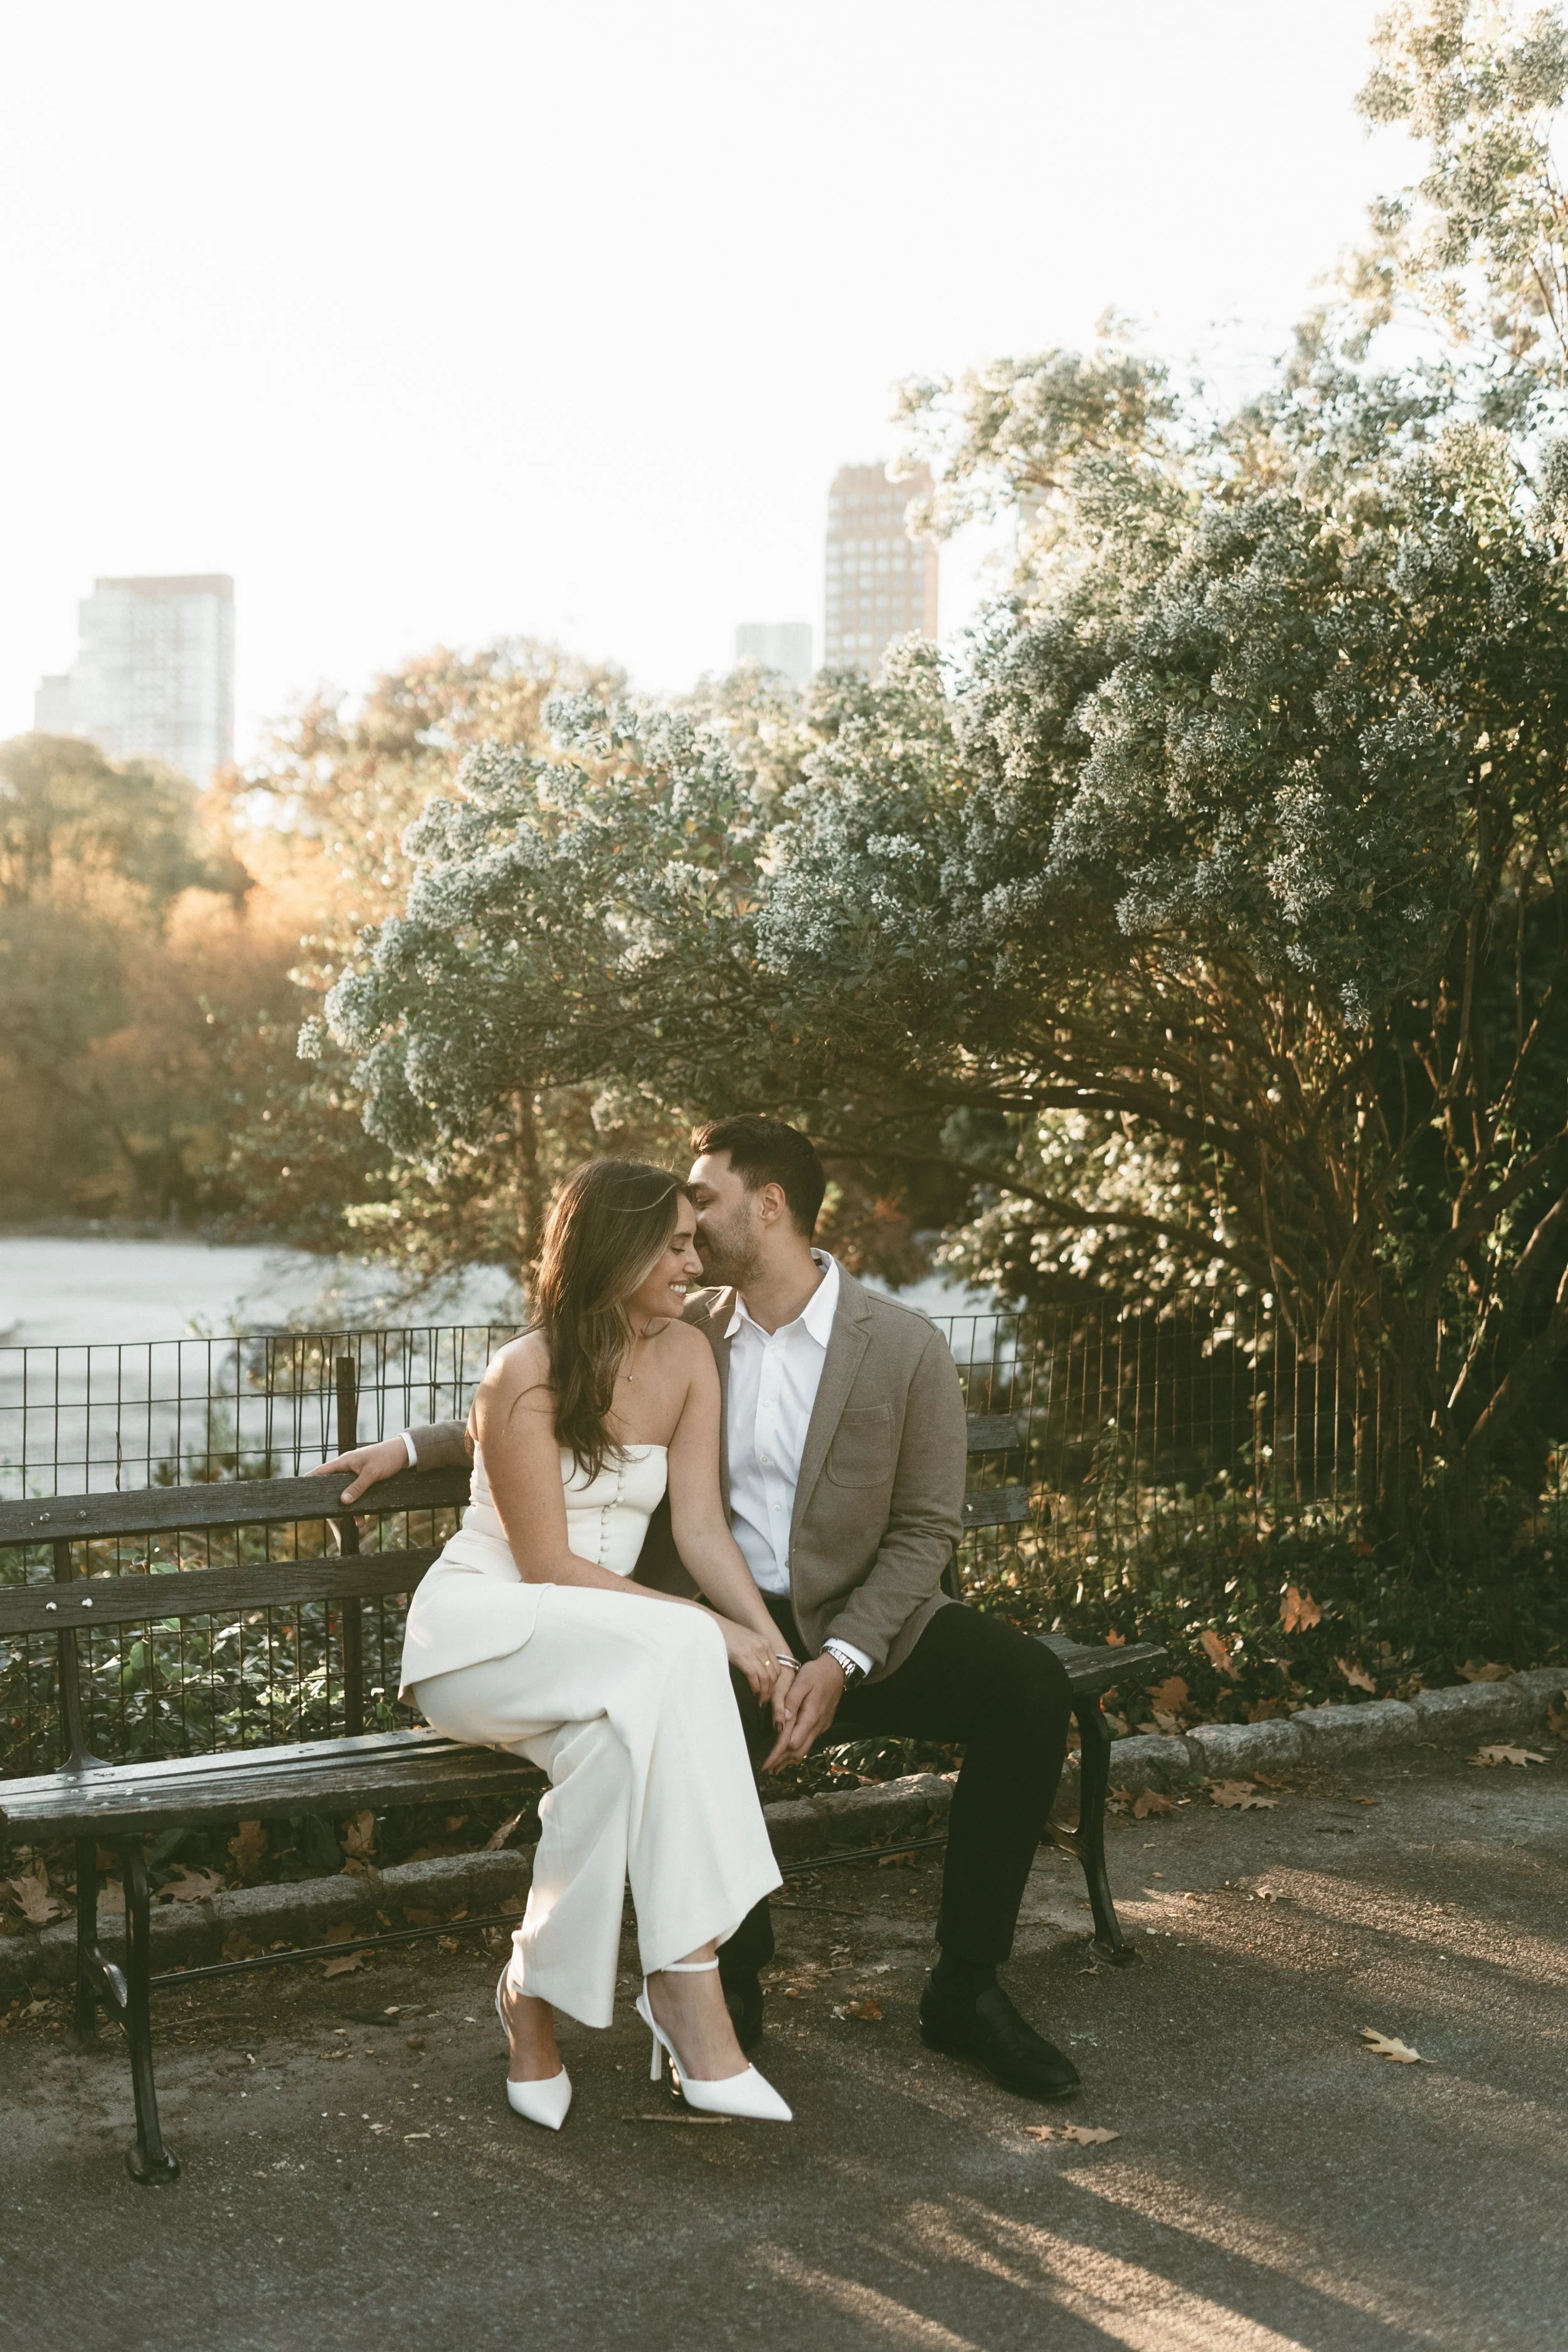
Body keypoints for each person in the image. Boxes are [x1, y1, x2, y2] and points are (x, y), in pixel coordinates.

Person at [326, 1118, 1081, 2105]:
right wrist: (418, 1445)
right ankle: (721, 1980)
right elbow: (559, 1383)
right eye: (675, 1228)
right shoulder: (689, 1325)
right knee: (680, 1691)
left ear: (769, 1206)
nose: (691, 1235)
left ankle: (968, 1986)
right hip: (701, 1616)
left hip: (855, 1619)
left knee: (1030, 1688)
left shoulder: (901, 1343)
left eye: (706, 1202)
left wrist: (840, 1655)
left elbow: (927, 1529)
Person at [337, 1159, 796, 2129]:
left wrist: (766, 1641)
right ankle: (689, 1980)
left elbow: (704, 1530)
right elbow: (544, 1564)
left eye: (692, 1239)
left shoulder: (685, 1360)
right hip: (486, 1636)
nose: (693, 1259)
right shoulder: (526, 1369)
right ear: (616, 1249)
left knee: (618, 1758)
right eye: (672, 1244)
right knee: (675, 1652)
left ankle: (529, 2004)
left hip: (601, 1654)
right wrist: (709, 1633)